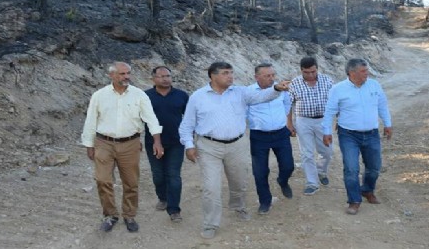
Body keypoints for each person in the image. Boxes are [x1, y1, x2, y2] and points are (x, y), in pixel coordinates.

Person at [179, 61, 290, 239]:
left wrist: (276, 88)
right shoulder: (198, 97)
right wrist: (189, 145)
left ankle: (238, 207)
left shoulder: (240, 92)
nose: (230, 76)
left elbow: (261, 97)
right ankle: (210, 224)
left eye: (231, 72)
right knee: (211, 188)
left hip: (237, 145)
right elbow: (187, 125)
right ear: (212, 76)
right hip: (209, 147)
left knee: (239, 182)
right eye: (225, 73)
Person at [81, 62, 164, 233]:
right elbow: (91, 121)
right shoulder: (99, 95)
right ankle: (110, 215)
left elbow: (151, 119)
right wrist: (89, 144)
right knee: (103, 180)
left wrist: (157, 140)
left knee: (131, 182)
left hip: (130, 143)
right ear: (111, 75)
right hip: (104, 143)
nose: (126, 77)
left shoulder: (139, 95)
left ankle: (129, 215)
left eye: (128, 73)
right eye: (122, 74)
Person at [321, 58, 393, 215]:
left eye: (367, 70)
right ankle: (354, 200)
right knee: (351, 168)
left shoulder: (374, 85)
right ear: (352, 73)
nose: (367, 73)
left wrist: (388, 124)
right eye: (363, 71)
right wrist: (326, 132)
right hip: (348, 135)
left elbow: (382, 106)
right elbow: (329, 112)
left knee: (374, 167)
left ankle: (367, 190)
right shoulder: (338, 89)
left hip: (372, 133)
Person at [247, 63, 295, 215]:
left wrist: (282, 120)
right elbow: (244, 111)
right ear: (257, 77)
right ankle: (265, 201)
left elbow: (287, 105)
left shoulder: (281, 89)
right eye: (267, 76)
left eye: (273, 75)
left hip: (281, 134)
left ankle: (283, 181)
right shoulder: (248, 92)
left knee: (288, 165)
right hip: (259, 136)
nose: (271, 78)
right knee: (260, 171)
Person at [144, 66, 189, 222]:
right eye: (161, 76)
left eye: (168, 76)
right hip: (152, 143)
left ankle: (174, 209)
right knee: (158, 176)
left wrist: (191, 138)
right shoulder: (145, 97)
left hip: (176, 142)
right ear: (153, 79)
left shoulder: (181, 96)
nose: (165, 79)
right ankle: (162, 197)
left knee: (174, 175)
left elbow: (189, 118)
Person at [287, 56, 334, 196]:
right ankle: (312, 182)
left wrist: (338, 119)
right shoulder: (294, 83)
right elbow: (288, 104)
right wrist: (289, 123)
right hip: (303, 121)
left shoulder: (328, 81)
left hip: (323, 120)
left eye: (313, 71)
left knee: (327, 151)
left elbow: (335, 101)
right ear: (301, 70)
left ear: (317, 68)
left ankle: (321, 171)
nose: (310, 75)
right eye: (306, 72)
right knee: (306, 153)